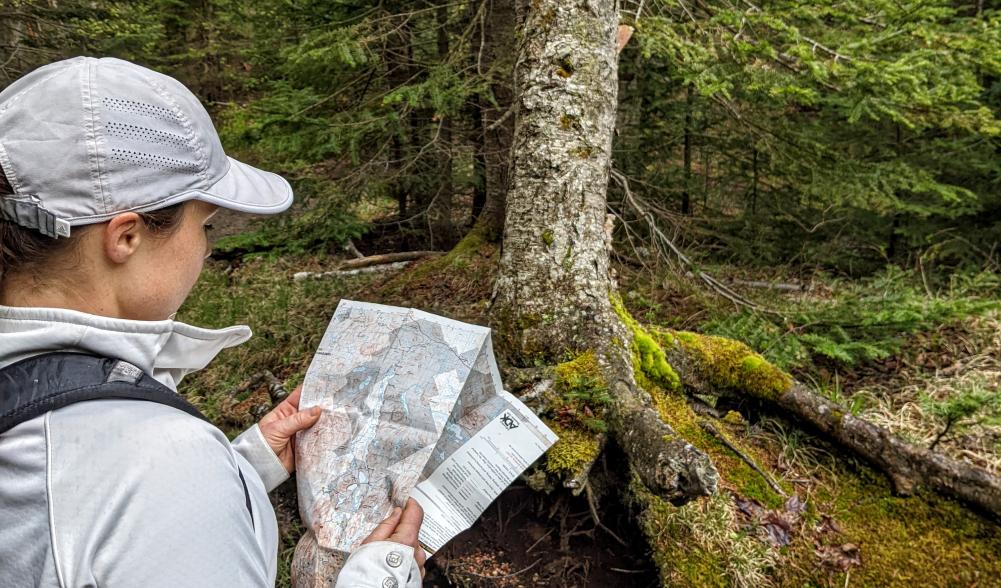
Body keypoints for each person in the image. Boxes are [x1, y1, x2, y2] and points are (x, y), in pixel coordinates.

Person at [0, 57, 425, 588]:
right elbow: (135, 494)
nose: (204, 247)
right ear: (125, 236)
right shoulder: (160, 462)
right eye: (205, 223)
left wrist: (245, 464)